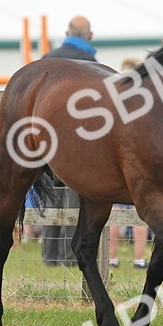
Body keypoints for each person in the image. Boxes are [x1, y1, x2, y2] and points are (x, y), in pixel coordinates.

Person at [38, 17, 97, 265]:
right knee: (75, 198)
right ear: (90, 36)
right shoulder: (93, 65)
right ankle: (69, 257)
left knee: (51, 195)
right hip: (79, 142)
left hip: (48, 138)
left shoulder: (47, 60)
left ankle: (49, 255)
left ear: (66, 33)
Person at [108, 59, 149, 269]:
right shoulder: (142, 100)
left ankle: (112, 258)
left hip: (116, 162)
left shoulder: (114, 100)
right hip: (137, 161)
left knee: (115, 210)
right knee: (139, 211)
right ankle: (139, 259)